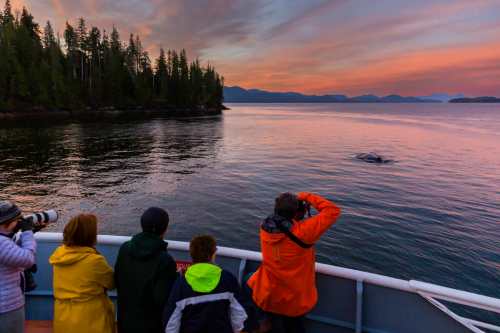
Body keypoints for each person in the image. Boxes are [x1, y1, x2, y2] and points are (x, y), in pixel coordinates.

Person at [247, 192, 341, 333]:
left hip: (266, 294)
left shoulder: (265, 226)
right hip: (293, 301)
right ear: (297, 212)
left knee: (268, 324)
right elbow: (333, 210)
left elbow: (283, 225)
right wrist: (306, 196)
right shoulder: (303, 232)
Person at [163, 235, 250, 333]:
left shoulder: (181, 284)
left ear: (192, 255)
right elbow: (239, 315)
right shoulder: (227, 279)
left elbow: (171, 323)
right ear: (213, 254)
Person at [114, 207, 177, 333]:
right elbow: (162, 299)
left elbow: (117, 280)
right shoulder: (165, 260)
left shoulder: (125, 248)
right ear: (164, 229)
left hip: (124, 320)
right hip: (150, 325)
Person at [49, 213, 115, 333]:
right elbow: (111, 283)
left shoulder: (59, 254)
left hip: (63, 318)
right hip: (90, 320)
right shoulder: (94, 261)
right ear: (90, 236)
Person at [0, 201, 43, 333]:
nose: (20, 222)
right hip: (7, 306)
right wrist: (27, 233)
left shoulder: (3, 239)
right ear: (6, 222)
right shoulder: (1, 243)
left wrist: (31, 232)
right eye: (17, 220)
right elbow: (28, 260)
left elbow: (12, 253)